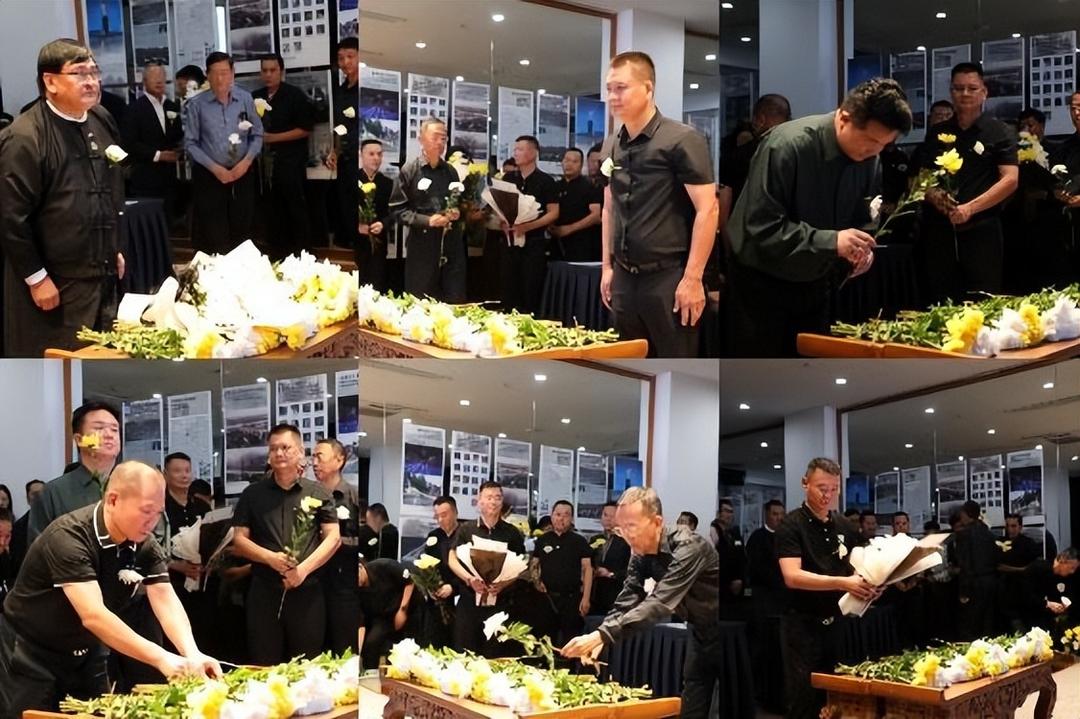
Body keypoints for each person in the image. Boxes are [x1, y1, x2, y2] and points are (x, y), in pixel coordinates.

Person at [0, 462, 222, 716]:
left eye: (158, 513)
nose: (152, 522)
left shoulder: (144, 542)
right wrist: (161, 657)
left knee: (98, 712)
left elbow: (164, 596)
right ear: (113, 500)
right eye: (146, 511)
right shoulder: (69, 536)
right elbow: (93, 615)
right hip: (31, 649)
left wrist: (192, 653)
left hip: (87, 649)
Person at [726, 78, 912, 357]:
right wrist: (833, 241)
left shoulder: (871, 160)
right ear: (844, 118)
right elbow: (762, 226)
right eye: (871, 140)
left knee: (811, 367)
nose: (874, 151)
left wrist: (860, 251)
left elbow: (864, 218)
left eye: (884, 145)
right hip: (761, 285)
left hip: (817, 284)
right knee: (762, 372)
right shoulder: (787, 145)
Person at [0, 38, 126, 358]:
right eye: (80, 73)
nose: (91, 81)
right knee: (59, 361)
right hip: (54, 283)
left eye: (94, 72)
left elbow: (111, 187)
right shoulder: (25, 136)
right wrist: (36, 278)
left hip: (102, 274)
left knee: (103, 355)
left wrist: (114, 247)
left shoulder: (101, 118)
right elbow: (11, 217)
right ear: (50, 81)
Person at [561, 486, 720, 719]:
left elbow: (660, 602)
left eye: (632, 527)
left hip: (724, 629)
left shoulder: (689, 546)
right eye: (621, 528)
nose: (626, 535)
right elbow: (628, 597)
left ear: (657, 522)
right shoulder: (639, 552)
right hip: (698, 629)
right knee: (694, 693)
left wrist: (602, 635)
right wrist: (602, 632)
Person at [599, 51, 717, 358]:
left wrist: (693, 278)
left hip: (668, 277)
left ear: (648, 88)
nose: (613, 96)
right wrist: (607, 267)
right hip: (624, 277)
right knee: (628, 360)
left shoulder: (682, 139)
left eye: (621, 88)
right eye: (609, 88)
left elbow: (708, 209)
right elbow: (609, 208)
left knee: (675, 361)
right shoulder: (611, 143)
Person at [775, 458, 880, 719]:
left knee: (837, 695)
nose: (828, 495)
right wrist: (842, 583)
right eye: (822, 488)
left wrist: (871, 585)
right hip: (802, 624)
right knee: (804, 697)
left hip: (837, 622)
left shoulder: (844, 525)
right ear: (805, 483)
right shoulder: (791, 524)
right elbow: (792, 576)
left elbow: (859, 567)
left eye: (834, 489)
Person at [230, 424, 340, 665]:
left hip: (307, 590)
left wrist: (302, 570)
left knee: (308, 665)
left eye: (285, 447)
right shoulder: (252, 494)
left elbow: (333, 538)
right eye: (273, 449)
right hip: (264, 591)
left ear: (300, 451)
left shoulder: (318, 492)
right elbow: (239, 540)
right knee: (263, 662)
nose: (279, 453)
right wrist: (270, 558)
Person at [911, 62, 1018, 305]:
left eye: (972, 88)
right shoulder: (937, 133)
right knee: (941, 300)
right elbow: (922, 178)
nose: (965, 94)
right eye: (959, 89)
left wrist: (970, 208)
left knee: (984, 301)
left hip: (983, 229)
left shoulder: (999, 131)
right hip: (940, 231)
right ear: (951, 92)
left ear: (984, 92)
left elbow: (1010, 179)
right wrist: (934, 195)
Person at [183, 51, 263, 254]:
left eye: (225, 73)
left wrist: (246, 162)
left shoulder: (245, 99)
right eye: (215, 73)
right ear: (207, 75)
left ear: (233, 73)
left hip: (242, 173)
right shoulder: (197, 105)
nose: (220, 79)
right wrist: (215, 168)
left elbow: (257, 135)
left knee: (243, 231)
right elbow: (190, 144)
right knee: (215, 234)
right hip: (211, 176)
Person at [388, 118, 465, 302]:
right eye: (435, 137)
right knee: (420, 301)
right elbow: (397, 210)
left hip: (450, 244)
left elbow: (457, 202)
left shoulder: (450, 171)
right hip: (422, 245)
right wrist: (427, 220)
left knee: (453, 298)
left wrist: (456, 212)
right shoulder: (410, 170)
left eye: (443, 139)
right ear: (421, 139)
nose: (440, 143)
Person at [447, 481, 526, 656]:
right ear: (479, 501)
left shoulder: (512, 533)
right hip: (469, 602)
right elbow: (452, 558)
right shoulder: (466, 529)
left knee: (495, 655)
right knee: (464, 653)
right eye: (489, 497)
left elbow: (520, 566)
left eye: (498, 498)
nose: (493, 502)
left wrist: (504, 583)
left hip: (499, 604)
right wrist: (469, 579)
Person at [29, 401, 121, 542]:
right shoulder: (53, 492)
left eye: (114, 429)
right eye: (99, 428)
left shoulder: (131, 488)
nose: (109, 435)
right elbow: (38, 549)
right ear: (79, 439)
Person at [252, 53, 314, 260]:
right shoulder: (256, 96)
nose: (268, 74)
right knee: (271, 208)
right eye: (264, 70)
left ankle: (302, 254)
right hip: (264, 164)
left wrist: (273, 138)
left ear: (281, 71)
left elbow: (305, 129)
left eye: (273, 70)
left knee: (294, 207)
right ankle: (276, 253)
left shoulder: (294, 95)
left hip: (290, 160)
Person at [312, 438, 362, 655]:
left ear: (339, 460)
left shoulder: (352, 495)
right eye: (313, 457)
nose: (314, 463)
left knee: (344, 649)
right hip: (314, 584)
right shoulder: (310, 495)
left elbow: (358, 540)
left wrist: (333, 540)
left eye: (320, 457)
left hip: (344, 585)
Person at [498, 135, 559, 313]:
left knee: (530, 290)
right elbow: (500, 206)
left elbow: (554, 213)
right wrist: (503, 221)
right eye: (515, 149)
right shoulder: (509, 178)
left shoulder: (546, 181)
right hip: (510, 243)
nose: (515, 153)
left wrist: (528, 226)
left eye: (520, 149)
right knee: (508, 288)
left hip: (534, 244)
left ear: (533, 153)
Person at [718, 93, 791, 228]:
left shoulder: (742, 155)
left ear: (760, 119)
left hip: (750, 228)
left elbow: (726, 198)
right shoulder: (798, 150)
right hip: (789, 228)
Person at [121, 63, 183, 219]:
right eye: (154, 77)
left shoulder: (171, 106)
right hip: (145, 177)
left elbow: (177, 136)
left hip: (170, 177)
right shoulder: (134, 109)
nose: (159, 81)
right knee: (150, 221)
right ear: (144, 81)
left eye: (162, 77)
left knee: (170, 219)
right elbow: (129, 143)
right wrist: (158, 155)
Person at [531, 500, 592, 649]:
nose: (561, 518)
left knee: (571, 641)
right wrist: (537, 582)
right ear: (552, 516)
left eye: (566, 515)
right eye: (558, 514)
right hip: (547, 598)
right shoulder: (542, 540)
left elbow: (588, 569)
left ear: (572, 519)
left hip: (571, 599)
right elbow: (534, 564)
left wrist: (586, 598)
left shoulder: (579, 541)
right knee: (545, 641)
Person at [326, 37, 359, 254]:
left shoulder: (367, 88)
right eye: (341, 58)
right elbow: (337, 125)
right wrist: (335, 150)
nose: (345, 62)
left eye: (350, 56)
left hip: (362, 156)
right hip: (345, 157)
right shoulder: (339, 91)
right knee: (344, 202)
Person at [952, 500, 999, 640]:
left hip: (973, 583)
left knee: (971, 624)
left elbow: (965, 563)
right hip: (991, 581)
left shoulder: (964, 535)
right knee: (988, 622)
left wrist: (963, 590)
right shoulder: (989, 534)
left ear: (967, 514)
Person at [420, 496, 463, 649]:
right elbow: (426, 563)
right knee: (433, 640)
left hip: (459, 595)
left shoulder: (465, 535)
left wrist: (453, 587)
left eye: (444, 515)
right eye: (437, 516)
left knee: (456, 641)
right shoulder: (434, 536)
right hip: (437, 597)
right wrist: (429, 586)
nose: (440, 520)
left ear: (455, 513)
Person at [358, 556, 414, 671]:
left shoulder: (384, 565)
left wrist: (403, 609)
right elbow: (361, 623)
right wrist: (358, 653)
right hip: (382, 617)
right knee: (371, 643)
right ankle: (371, 673)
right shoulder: (355, 591)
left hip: (405, 608)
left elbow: (409, 581)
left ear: (360, 567)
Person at [549, 148, 601, 262]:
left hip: (582, 243)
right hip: (556, 244)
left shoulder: (590, 187)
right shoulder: (554, 186)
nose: (569, 164)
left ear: (581, 165)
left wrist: (569, 229)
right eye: (567, 160)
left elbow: (596, 215)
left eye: (574, 161)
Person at [358, 138, 393, 290]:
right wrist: (357, 225)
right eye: (371, 154)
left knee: (377, 284)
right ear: (361, 155)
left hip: (378, 243)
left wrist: (383, 224)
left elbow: (393, 212)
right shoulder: (353, 179)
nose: (376, 158)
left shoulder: (387, 183)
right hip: (356, 242)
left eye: (379, 154)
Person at [589, 501, 630, 615]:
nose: (608, 519)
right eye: (605, 515)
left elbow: (633, 570)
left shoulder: (627, 541)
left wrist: (611, 574)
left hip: (616, 594)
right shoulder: (594, 540)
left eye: (612, 516)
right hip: (595, 594)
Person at [10, 479, 45, 575]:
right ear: (28, 499)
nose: (39, 497)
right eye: (35, 494)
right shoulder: (18, 527)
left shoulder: (57, 521)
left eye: (43, 493)